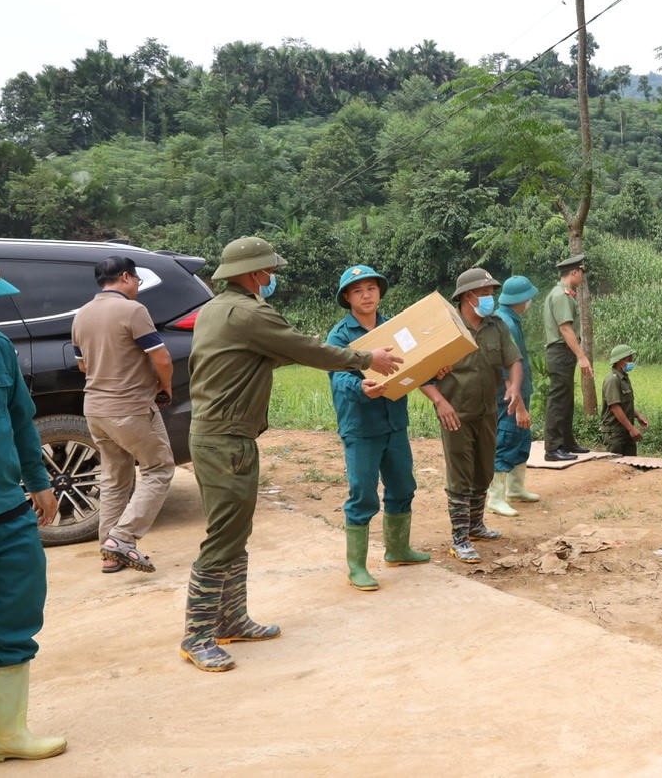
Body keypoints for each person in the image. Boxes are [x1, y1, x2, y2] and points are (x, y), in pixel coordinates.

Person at [179, 237, 402, 673]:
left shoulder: (215, 309)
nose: (271, 277)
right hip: (226, 439)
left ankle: (231, 618)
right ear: (255, 273)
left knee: (235, 531)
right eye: (269, 270)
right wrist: (365, 358)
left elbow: (264, 354)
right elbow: (306, 351)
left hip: (218, 435)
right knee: (223, 536)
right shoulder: (250, 312)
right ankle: (198, 633)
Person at [0, 270, 66, 762]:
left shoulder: (0, 348)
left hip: (7, 510)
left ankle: (7, 733)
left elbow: (21, 420)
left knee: (18, 612)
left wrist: (39, 481)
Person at [327, 265, 431, 591]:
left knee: (403, 485)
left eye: (371, 288)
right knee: (363, 493)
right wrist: (360, 387)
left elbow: (414, 360)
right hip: (361, 427)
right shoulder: (340, 337)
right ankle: (357, 567)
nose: (366, 295)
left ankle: (397, 550)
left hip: (394, 422)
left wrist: (434, 367)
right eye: (358, 291)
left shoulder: (393, 329)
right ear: (347, 297)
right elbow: (338, 377)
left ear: (380, 292)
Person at [71, 255, 176, 574]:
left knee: (115, 478)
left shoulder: (81, 315)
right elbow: (162, 358)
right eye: (137, 281)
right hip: (130, 408)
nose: (138, 287)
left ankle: (109, 553)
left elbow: (83, 365)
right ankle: (123, 538)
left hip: (95, 409)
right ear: (126, 277)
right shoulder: (133, 310)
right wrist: (164, 386)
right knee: (159, 468)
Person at [421, 268, 525, 564]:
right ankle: (460, 538)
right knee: (460, 475)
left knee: (483, 470)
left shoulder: (496, 326)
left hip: (487, 411)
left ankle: (476, 525)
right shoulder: (444, 328)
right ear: (468, 296)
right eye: (485, 293)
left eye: (491, 293)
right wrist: (440, 401)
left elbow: (514, 360)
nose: (490, 298)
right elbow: (420, 373)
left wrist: (514, 387)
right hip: (455, 414)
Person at [488, 275, 539, 518]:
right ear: (521, 299)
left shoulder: (510, 319)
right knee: (506, 439)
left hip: (518, 394)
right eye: (528, 297)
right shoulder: (505, 323)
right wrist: (518, 406)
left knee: (521, 437)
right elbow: (505, 367)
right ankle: (496, 497)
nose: (530, 301)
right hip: (509, 397)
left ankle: (515, 489)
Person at [541, 253, 592, 461]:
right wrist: (582, 356)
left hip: (563, 352)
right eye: (581, 273)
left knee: (566, 399)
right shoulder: (561, 296)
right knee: (559, 399)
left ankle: (567, 442)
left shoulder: (563, 294)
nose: (582, 277)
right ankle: (553, 448)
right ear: (574, 272)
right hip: (560, 351)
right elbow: (565, 329)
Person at [601, 344, 648, 457]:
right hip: (615, 432)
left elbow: (625, 403)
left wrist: (638, 416)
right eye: (629, 359)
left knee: (630, 463)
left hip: (625, 429)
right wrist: (631, 429)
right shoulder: (613, 380)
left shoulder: (624, 378)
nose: (631, 362)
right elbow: (615, 407)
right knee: (616, 464)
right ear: (619, 361)